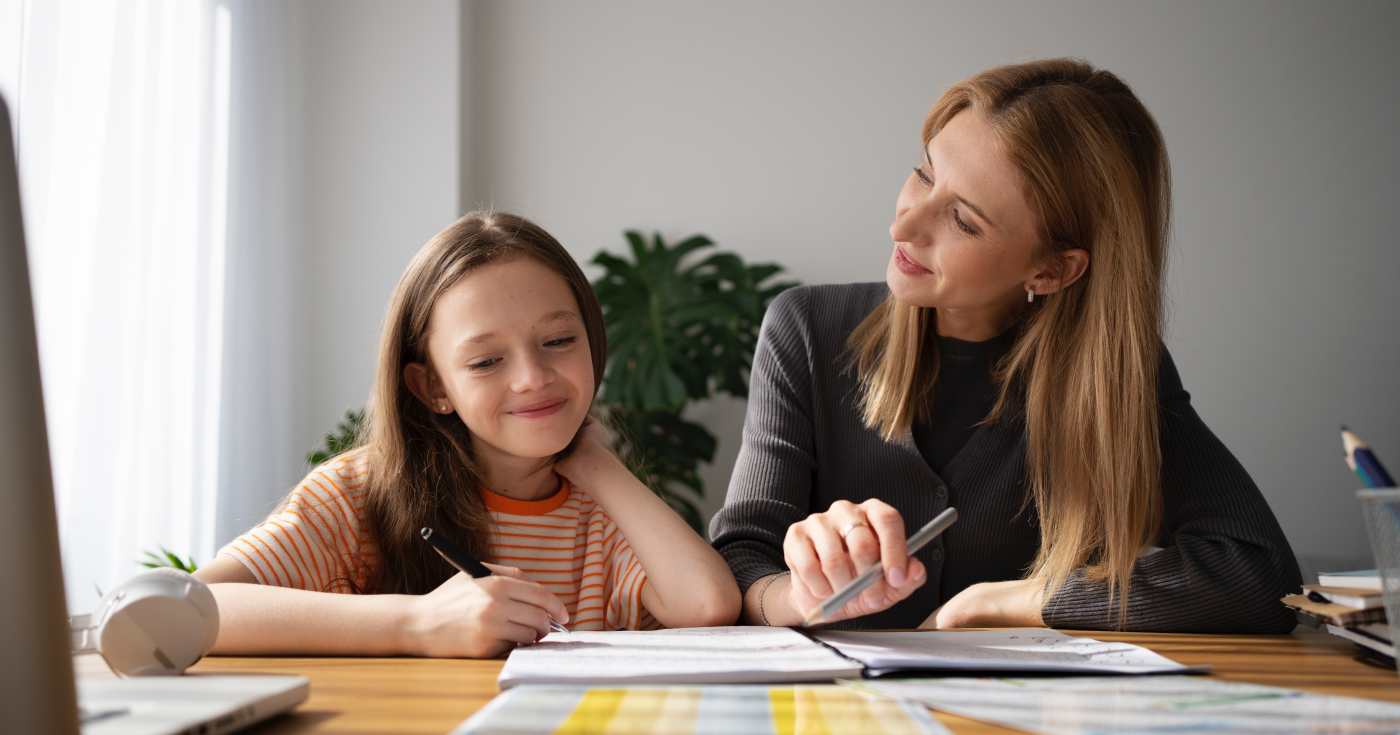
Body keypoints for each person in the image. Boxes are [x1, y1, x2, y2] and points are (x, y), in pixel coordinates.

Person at [710, 58, 1301, 633]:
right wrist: (800, 596)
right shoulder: (807, 328)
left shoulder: (1113, 376)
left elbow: (1258, 575)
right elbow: (741, 561)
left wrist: (1006, 602)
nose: (904, 227)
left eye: (964, 221)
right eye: (924, 174)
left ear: (1052, 270)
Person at [196, 212, 740, 658]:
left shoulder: (606, 511)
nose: (532, 378)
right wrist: (415, 622)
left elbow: (707, 605)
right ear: (432, 385)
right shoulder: (355, 494)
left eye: (558, 340)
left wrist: (597, 463)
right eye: (486, 361)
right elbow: (191, 605)